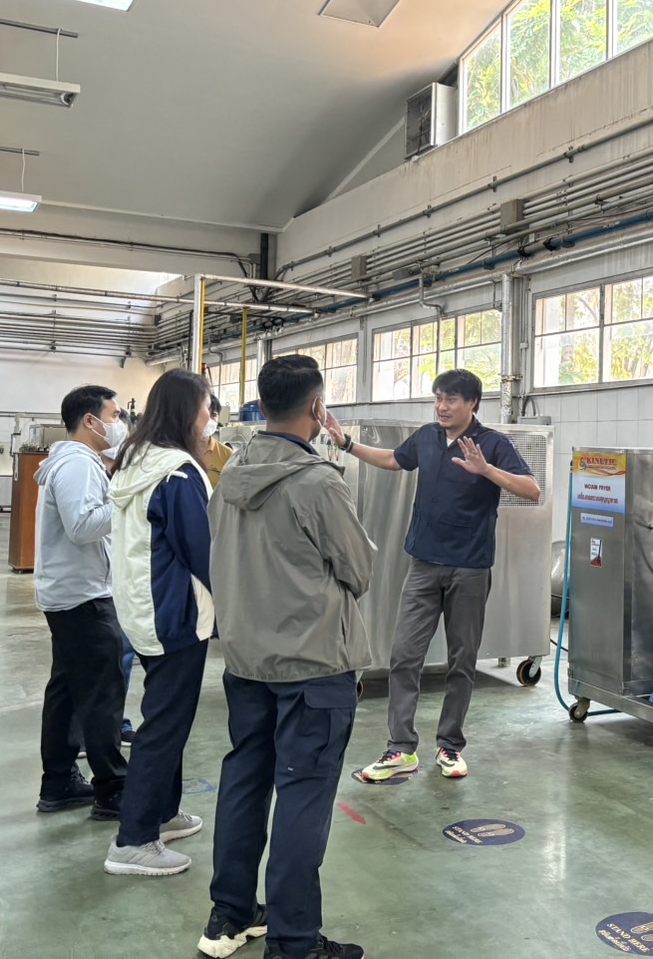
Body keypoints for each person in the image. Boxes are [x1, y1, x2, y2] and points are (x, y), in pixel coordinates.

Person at [199, 355, 372, 959]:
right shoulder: (318, 482)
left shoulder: (231, 473)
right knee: (303, 794)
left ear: (262, 405)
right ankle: (294, 942)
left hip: (246, 659)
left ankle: (230, 914)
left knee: (245, 781)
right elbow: (359, 570)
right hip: (313, 666)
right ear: (317, 408)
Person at [330, 369, 539, 784]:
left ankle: (450, 745)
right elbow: (394, 460)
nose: (442, 407)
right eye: (438, 398)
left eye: (451, 400)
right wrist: (347, 444)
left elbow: (531, 490)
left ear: (472, 403)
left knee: (462, 660)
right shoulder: (427, 437)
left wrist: (487, 471)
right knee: (404, 655)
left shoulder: (493, 444)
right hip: (423, 564)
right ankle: (400, 748)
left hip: (470, 566)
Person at [103, 369, 216, 877]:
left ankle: (163, 813)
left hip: (143, 607)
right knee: (165, 726)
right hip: (176, 614)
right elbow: (203, 552)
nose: (211, 419)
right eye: (207, 409)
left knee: (166, 716)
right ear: (187, 412)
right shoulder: (178, 474)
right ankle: (134, 840)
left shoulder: (136, 460)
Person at [34, 385, 129, 819]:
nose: (120, 423)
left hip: (70, 592)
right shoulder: (77, 463)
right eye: (115, 415)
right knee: (103, 693)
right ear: (90, 421)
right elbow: (83, 526)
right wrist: (129, 501)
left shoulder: (77, 461)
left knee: (69, 690)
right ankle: (112, 788)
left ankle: (58, 782)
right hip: (83, 596)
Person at [204, 393, 235, 490]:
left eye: (213, 415)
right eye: (205, 414)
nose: (209, 420)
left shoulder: (227, 454)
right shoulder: (183, 451)